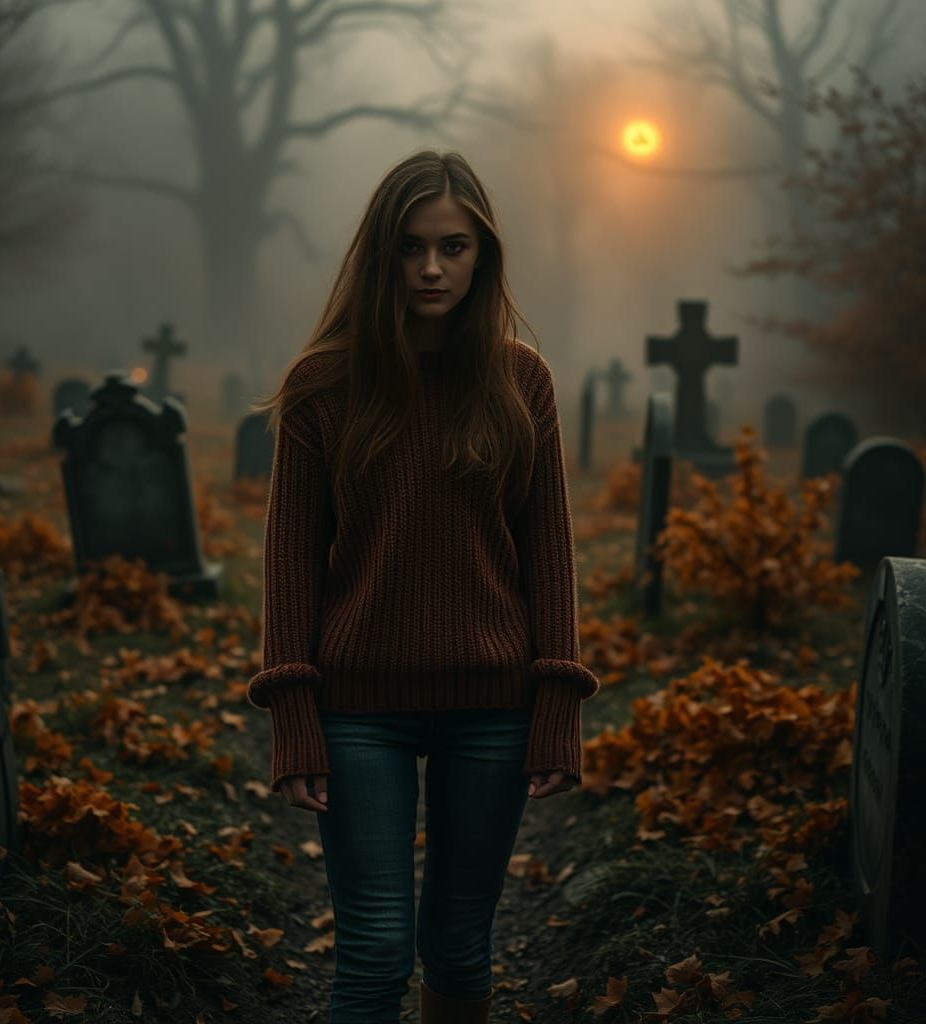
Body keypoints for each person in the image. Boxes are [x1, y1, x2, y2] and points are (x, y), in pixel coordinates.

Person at [246, 149, 601, 1024]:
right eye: (411, 248)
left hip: (493, 709)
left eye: (454, 247)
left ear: (484, 255)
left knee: (457, 947)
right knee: (371, 955)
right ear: (381, 256)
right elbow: (291, 562)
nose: (432, 268)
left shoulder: (522, 382)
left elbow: (546, 551)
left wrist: (557, 703)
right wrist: (294, 716)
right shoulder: (323, 386)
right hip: (358, 709)